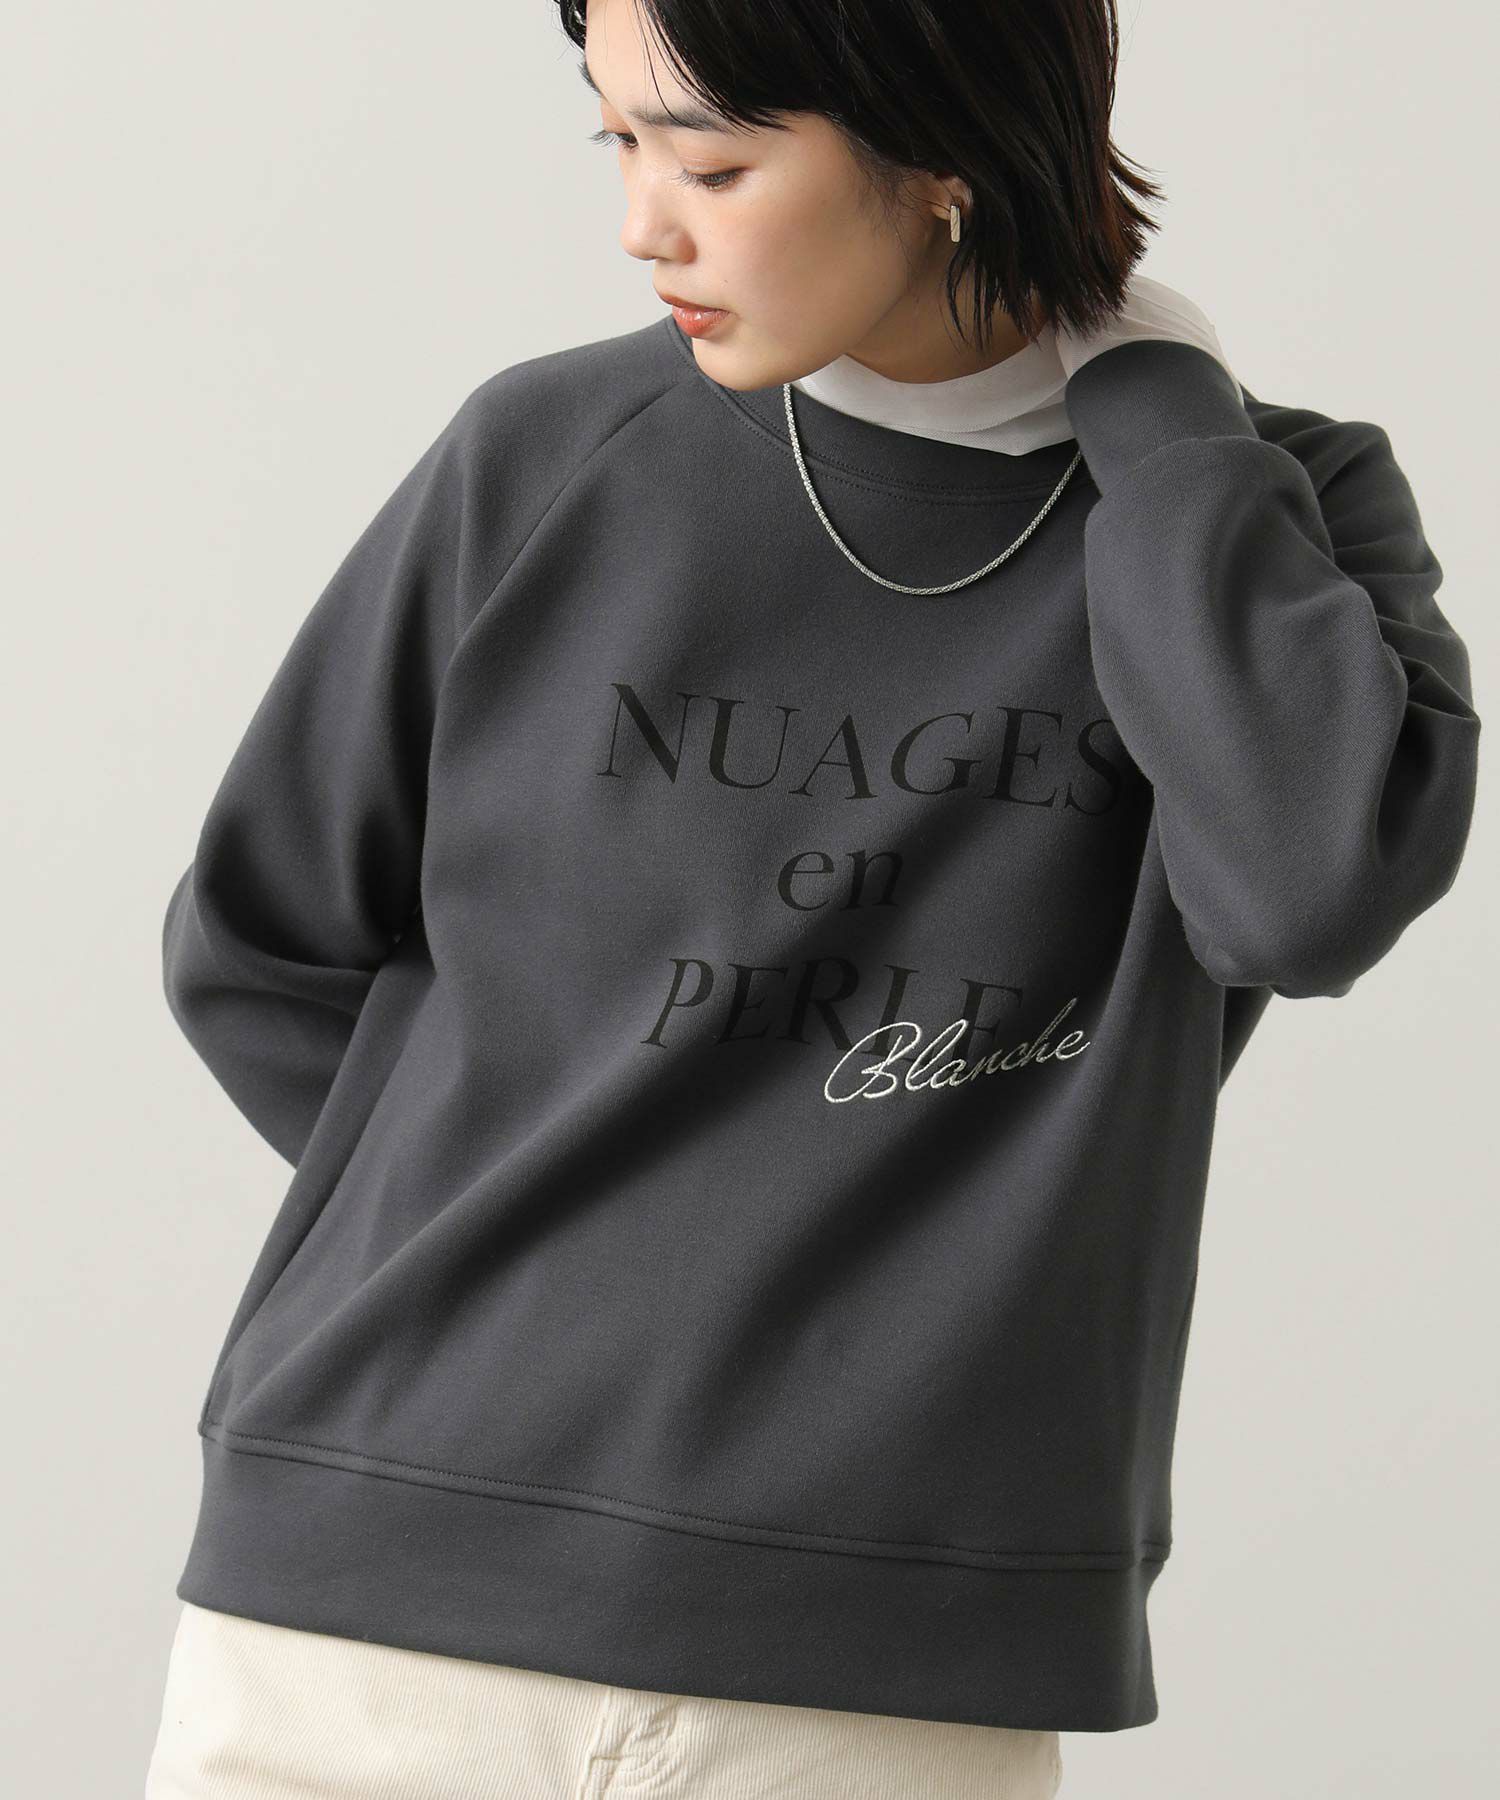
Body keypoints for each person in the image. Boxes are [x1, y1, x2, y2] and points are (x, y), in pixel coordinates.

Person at [143, 0, 1482, 1794]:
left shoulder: (1265, 511)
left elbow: (1303, 896)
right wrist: (571, 1247)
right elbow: (256, 940)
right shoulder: (549, 453)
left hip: (884, 1653)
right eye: (618, 142)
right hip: (372, 1611)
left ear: (944, 153)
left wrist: (1159, 407)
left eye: (710, 162)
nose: (644, 225)